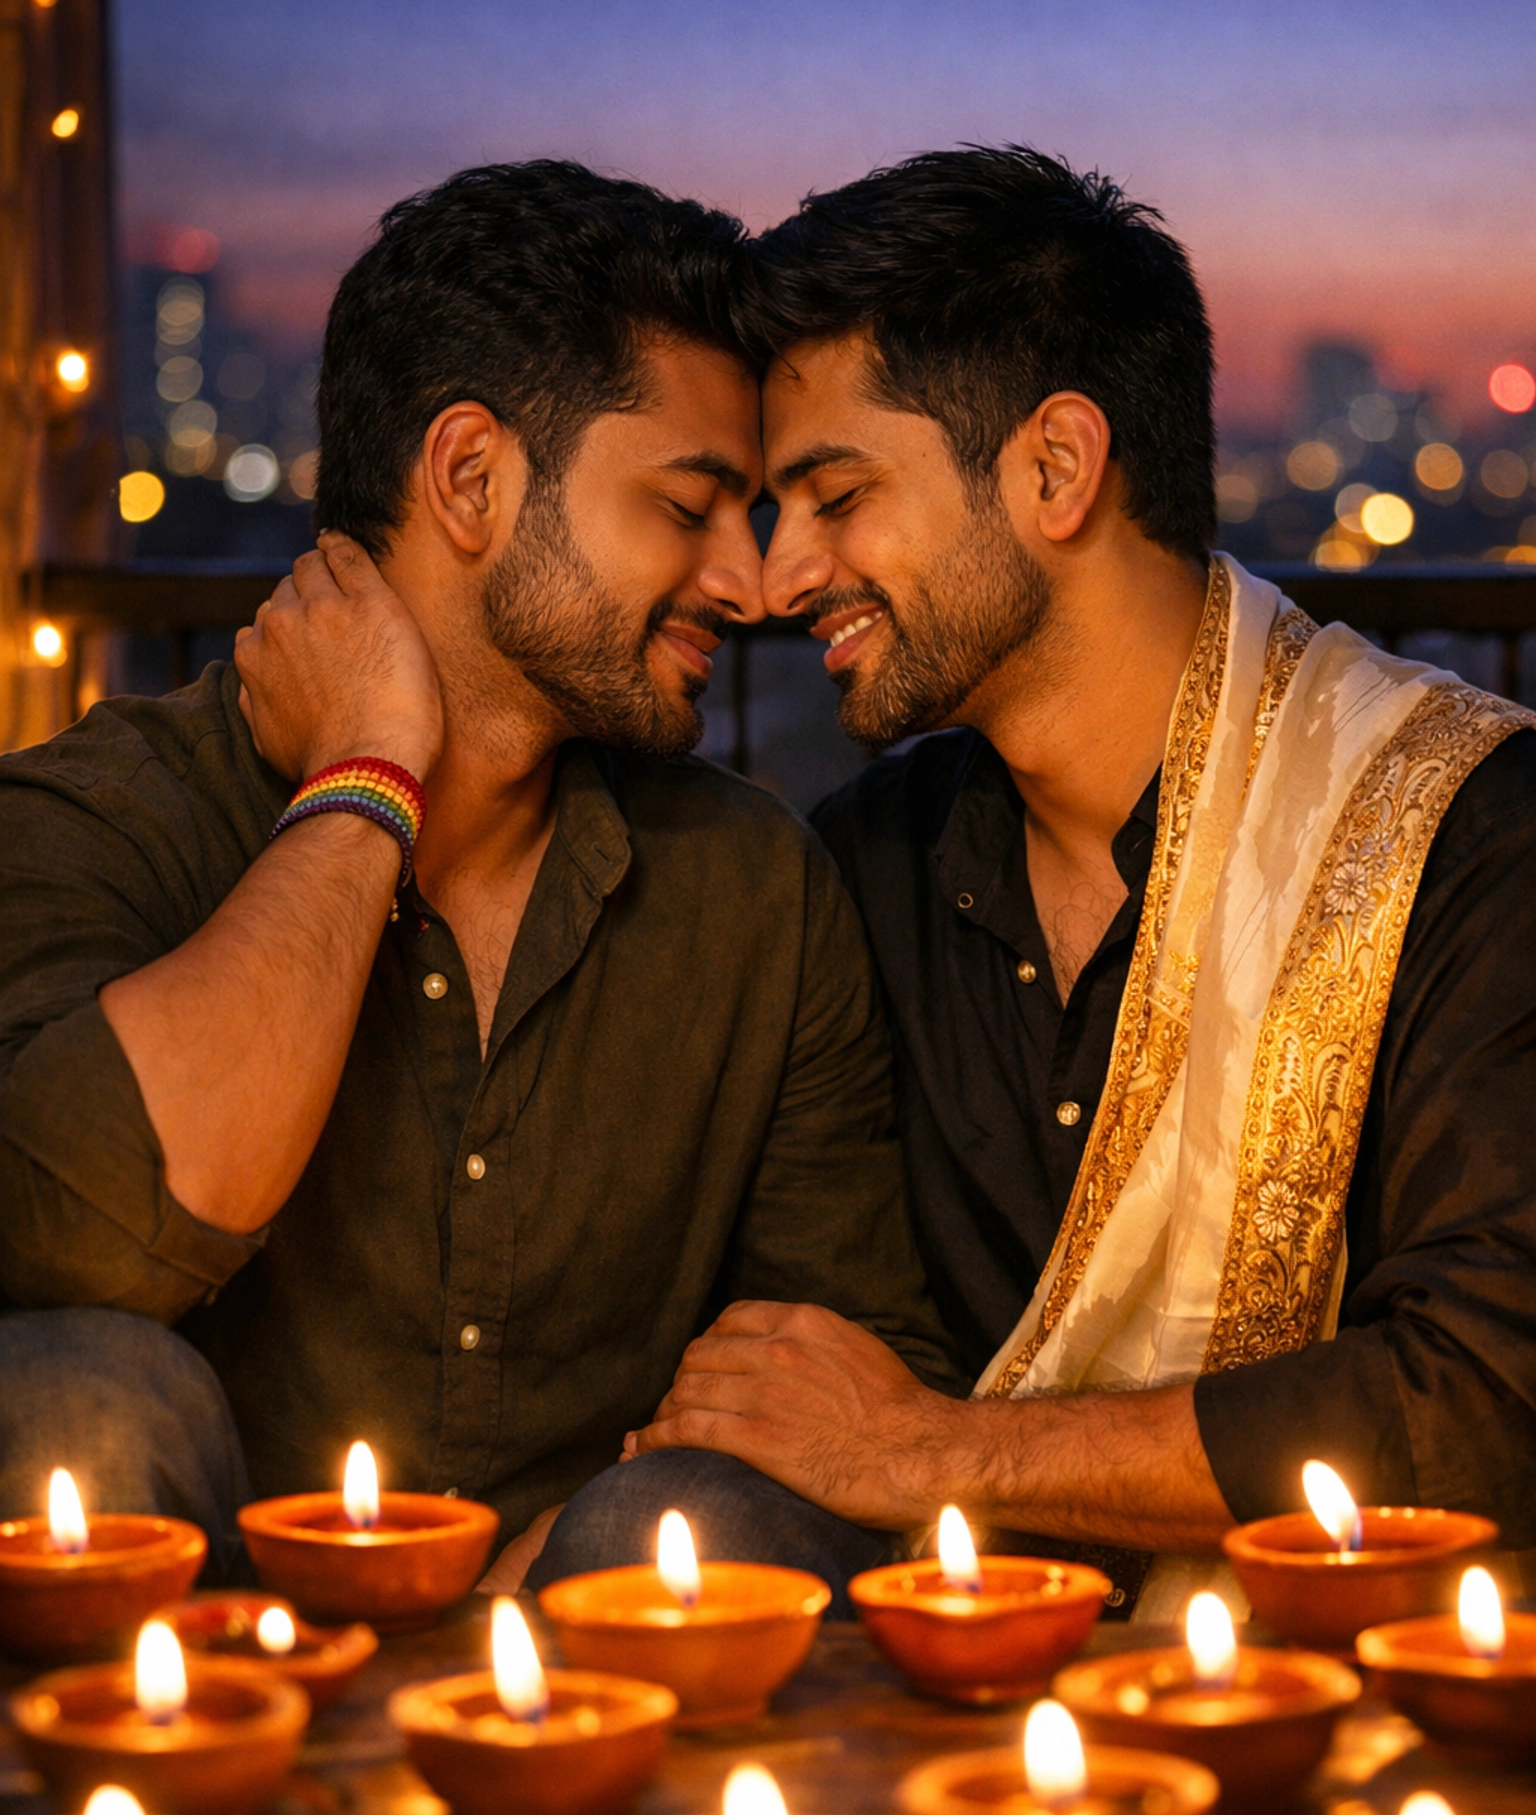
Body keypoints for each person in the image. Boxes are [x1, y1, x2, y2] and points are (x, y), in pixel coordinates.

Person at [0, 160, 961, 1596]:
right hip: (188, 1651)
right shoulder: (104, 812)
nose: (749, 585)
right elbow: (83, 1238)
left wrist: (577, 1546)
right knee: (75, 1398)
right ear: (470, 479)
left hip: (580, 1647)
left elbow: (847, 1371)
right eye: (690, 506)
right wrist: (369, 775)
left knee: (684, 1532)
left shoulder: (751, 885)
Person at [618, 145, 1536, 1620]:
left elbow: (1489, 1394)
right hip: (940, 1704)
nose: (785, 580)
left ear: (1055, 468)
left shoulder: (1459, 827)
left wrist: (936, 1456)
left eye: (836, 495)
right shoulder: (868, 868)